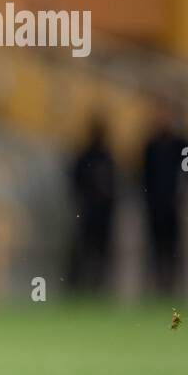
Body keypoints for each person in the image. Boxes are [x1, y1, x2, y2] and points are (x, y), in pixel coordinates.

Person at [141, 98, 188, 295]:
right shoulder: (151, 144)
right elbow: (142, 176)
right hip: (155, 206)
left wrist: (186, 191)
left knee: (174, 250)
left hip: (174, 205)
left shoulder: (182, 144)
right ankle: (155, 289)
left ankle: (174, 289)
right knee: (154, 248)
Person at [67, 115, 118, 293]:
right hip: (90, 212)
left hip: (99, 213)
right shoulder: (91, 156)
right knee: (85, 252)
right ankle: (80, 288)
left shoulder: (104, 157)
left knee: (98, 253)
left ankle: (95, 288)